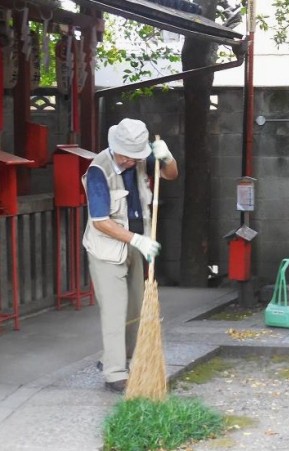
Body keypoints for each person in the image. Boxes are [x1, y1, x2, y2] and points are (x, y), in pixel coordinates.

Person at [82, 118, 179, 393]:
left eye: (136, 156)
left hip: (138, 245)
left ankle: (124, 358)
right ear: (114, 147)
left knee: (136, 307)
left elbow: (170, 175)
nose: (130, 161)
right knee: (114, 310)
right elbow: (100, 220)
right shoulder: (98, 170)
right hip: (107, 250)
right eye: (126, 156)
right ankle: (114, 374)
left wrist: (167, 157)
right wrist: (137, 239)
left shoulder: (138, 158)